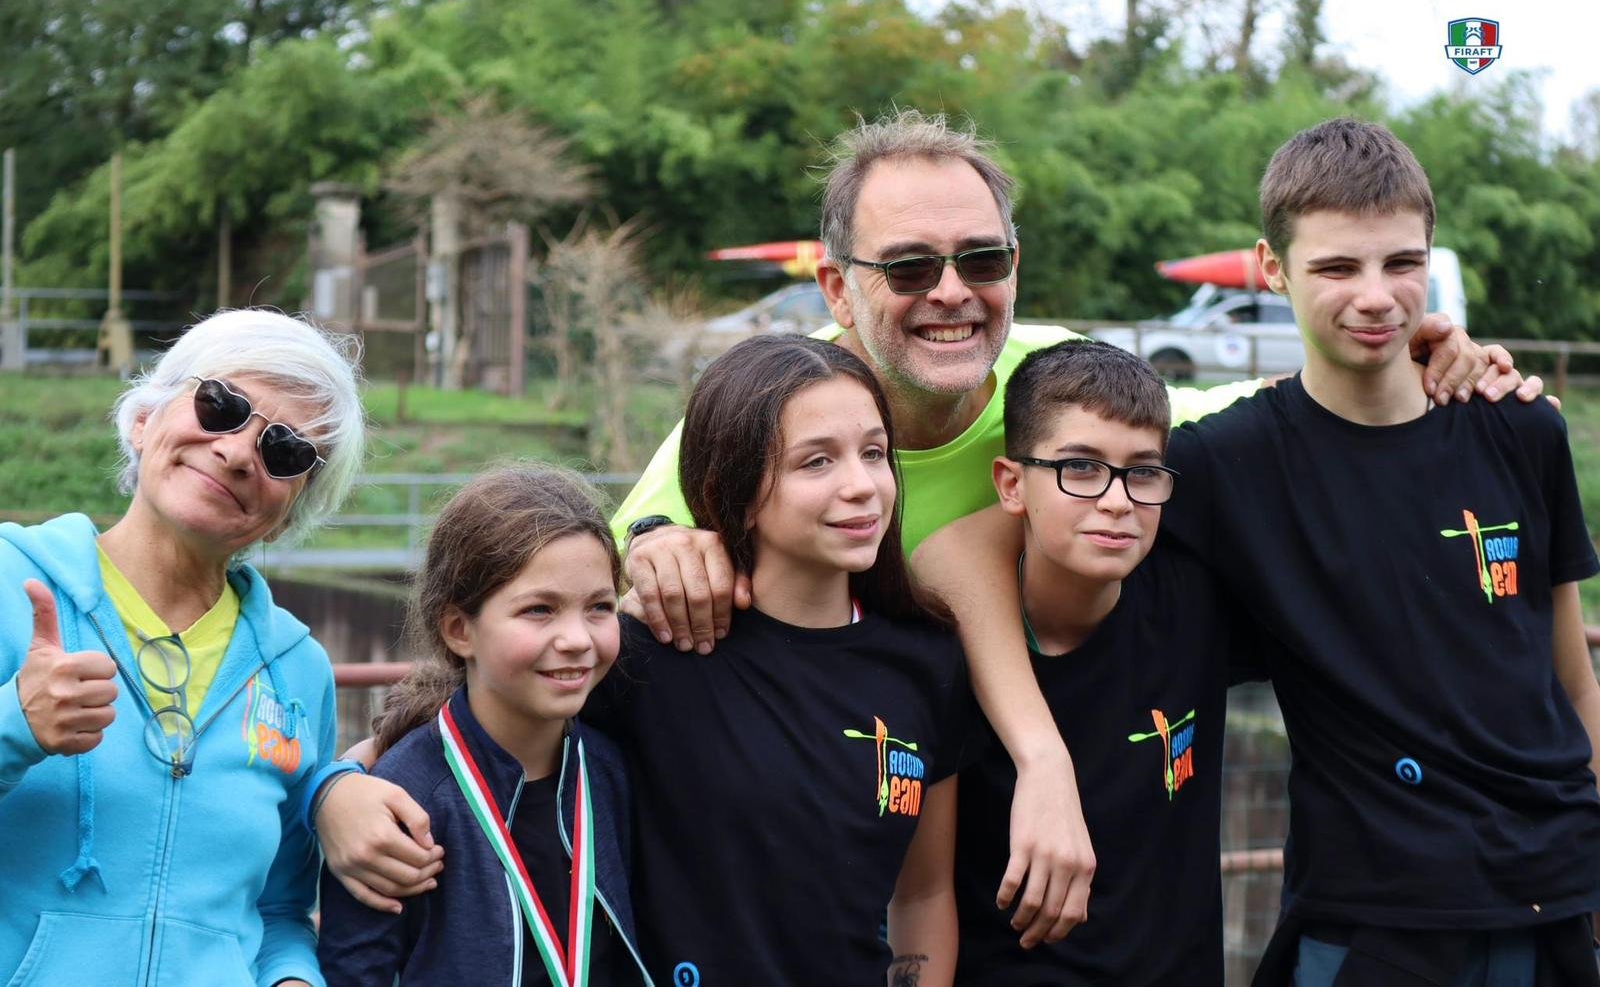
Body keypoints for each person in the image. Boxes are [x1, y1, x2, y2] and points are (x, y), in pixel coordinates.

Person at [312, 110, 1534, 942]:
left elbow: (1295, 411)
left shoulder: (1072, 394)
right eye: (907, 266)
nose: (951, 290)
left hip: (1048, 893)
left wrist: (1427, 350)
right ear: (835, 285)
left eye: (982, 256)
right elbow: (543, 627)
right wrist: (348, 784)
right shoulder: (748, 428)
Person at [922, 118, 1600, 986]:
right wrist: (1040, 756)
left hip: (1555, 898)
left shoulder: (1522, 429)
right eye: (1336, 267)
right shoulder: (1221, 462)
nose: (1377, 297)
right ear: (1272, 269)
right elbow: (960, 549)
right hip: (1372, 915)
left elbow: (1569, 678)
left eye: (1401, 263)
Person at [579, 334, 975, 986]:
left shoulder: (928, 658)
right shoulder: (653, 649)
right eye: (816, 462)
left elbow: (922, 894)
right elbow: (478, 725)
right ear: (732, 484)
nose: (862, 487)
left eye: (874, 453)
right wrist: (347, 783)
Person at [0, 309, 365, 987]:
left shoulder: (297, 671)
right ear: (143, 420)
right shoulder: (8, 585)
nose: (235, 452)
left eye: (283, 451)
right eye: (219, 405)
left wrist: (291, 979)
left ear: (292, 512)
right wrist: (16, 725)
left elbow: (280, 906)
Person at [946, 337, 1255, 986]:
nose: (1116, 499)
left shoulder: (1200, 602)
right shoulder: (947, 651)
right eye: (1080, 468)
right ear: (1011, 484)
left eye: (1143, 471)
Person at [316, 464, 651, 986]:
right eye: (540, 610)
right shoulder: (402, 801)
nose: (577, 639)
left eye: (599, 607)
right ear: (458, 630)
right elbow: (356, 972)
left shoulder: (611, 770)